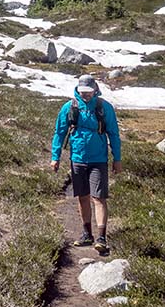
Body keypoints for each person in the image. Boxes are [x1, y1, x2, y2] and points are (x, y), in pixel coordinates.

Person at [50, 75, 122, 254]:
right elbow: (59, 132)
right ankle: (86, 234)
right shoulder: (70, 107)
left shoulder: (105, 108)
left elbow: (113, 134)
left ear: (95, 90)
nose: (85, 95)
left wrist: (117, 159)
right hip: (78, 159)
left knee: (98, 198)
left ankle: (102, 238)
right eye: (83, 92)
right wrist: (55, 156)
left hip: (99, 160)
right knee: (82, 197)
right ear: (78, 89)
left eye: (89, 92)